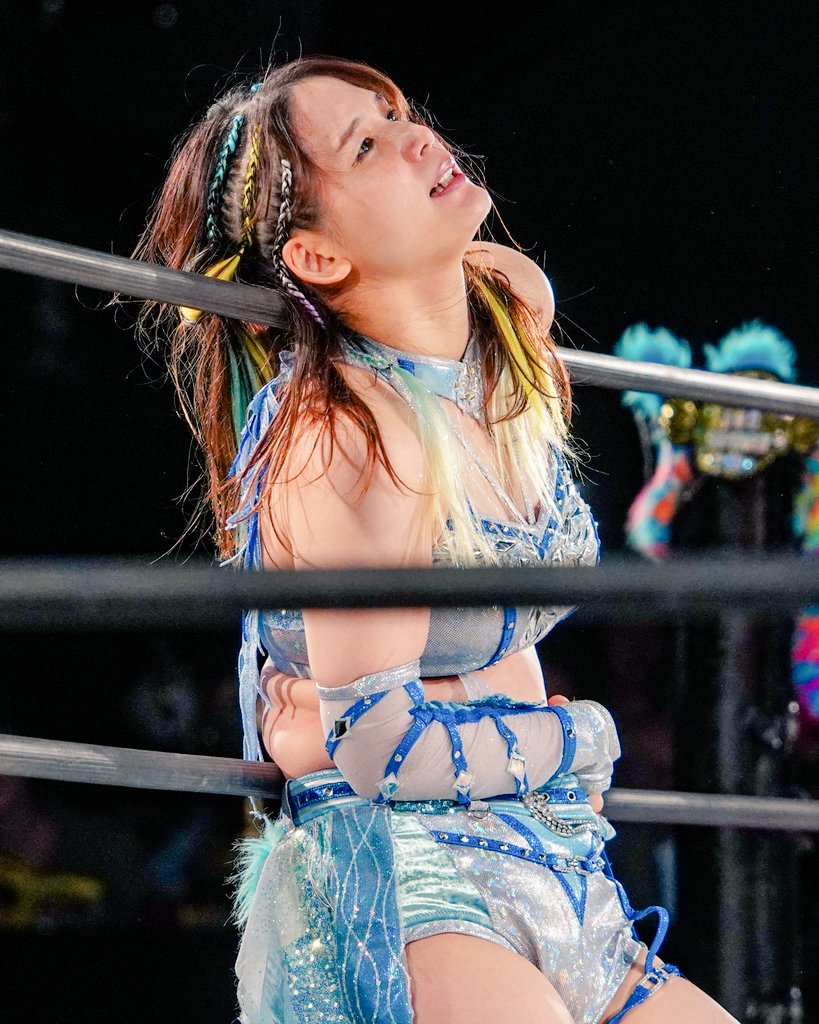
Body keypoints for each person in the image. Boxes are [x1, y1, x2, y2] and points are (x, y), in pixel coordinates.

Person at [136, 55, 737, 1024]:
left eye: (398, 113)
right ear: (315, 256)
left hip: (557, 861)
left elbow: (498, 273)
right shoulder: (345, 433)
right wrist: (581, 736)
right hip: (404, 876)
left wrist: (474, 720)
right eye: (365, 146)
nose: (418, 137)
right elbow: (379, 748)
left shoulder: (505, 324)